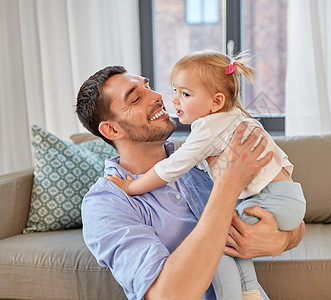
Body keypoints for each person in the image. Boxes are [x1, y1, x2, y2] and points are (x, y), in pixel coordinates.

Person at [76, 65, 306, 300]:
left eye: (148, 87)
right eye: (136, 98)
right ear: (111, 129)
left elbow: (295, 223)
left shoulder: (200, 158)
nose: (157, 97)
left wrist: (279, 241)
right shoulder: (106, 203)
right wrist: (228, 186)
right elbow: (168, 295)